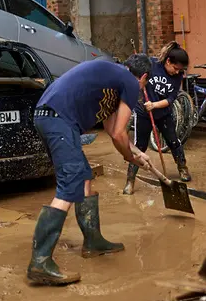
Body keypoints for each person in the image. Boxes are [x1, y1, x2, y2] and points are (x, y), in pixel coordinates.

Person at [27, 55, 153, 286]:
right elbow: (118, 135)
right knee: (71, 182)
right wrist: (129, 158)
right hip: (59, 119)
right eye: (144, 86)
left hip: (50, 118)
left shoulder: (113, 78)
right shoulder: (130, 82)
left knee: (84, 176)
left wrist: (136, 151)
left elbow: (112, 127)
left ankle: (93, 241)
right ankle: (40, 261)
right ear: (143, 77)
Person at [123, 41, 191, 195]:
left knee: (174, 141)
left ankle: (182, 168)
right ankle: (130, 180)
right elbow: (134, 72)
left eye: (180, 70)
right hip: (143, 113)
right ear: (168, 61)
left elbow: (171, 98)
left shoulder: (177, 76)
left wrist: (154, 105)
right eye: (175, 68)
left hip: (163, 113)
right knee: (139, 146)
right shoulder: (152, 64)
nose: (177, 72)